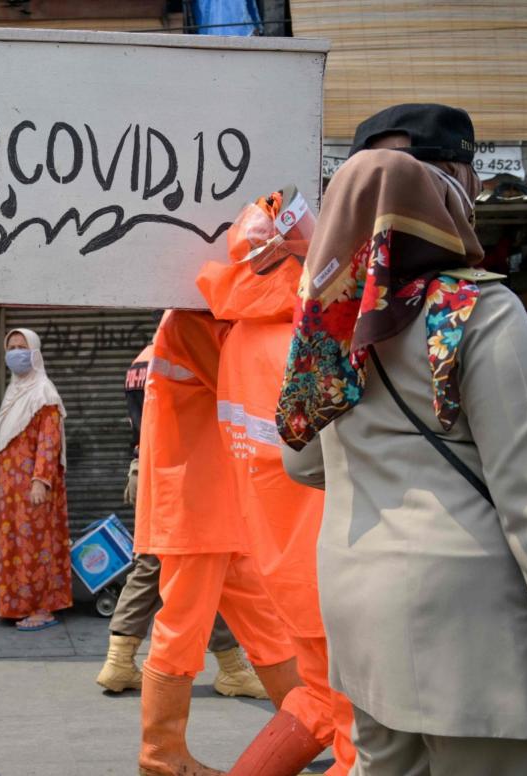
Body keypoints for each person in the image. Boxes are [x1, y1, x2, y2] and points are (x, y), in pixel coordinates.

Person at [278, 103, 527, 776]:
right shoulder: (479, 311)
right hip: (477, 637)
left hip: (361, 616)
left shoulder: (326, 326)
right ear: (452, 190)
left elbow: (299, 461)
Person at [196, 186, 355, 775]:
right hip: (332, 562)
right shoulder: (310, 339)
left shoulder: (237, 335)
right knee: (364, 732)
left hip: (279, 564)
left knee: (316, 698)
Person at [136, 310, 302, 776]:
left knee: (268, 626)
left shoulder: (200, 320)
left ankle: (317, 721)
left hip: (218, 502)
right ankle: (160, 754)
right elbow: (247, 379)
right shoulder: (190, 321)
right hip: (195, 502)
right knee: (182, 629)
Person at [96, 342, 266, 699]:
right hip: (181, 472)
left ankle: (123, 661)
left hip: (148, 469)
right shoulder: (184, 353)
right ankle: (226, 668)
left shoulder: (139, 361)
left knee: (187, 565)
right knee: (190, 563)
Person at [0, 328, 73, 632]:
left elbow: (49, 441)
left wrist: (40, 479)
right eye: (11, 347)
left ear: (35, 353)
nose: (15, 353)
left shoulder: (44, 392)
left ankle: (43, 607)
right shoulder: (15, 391)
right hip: (11, 488)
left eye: (21, 347)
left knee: (36, 545)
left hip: (34, 485)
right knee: (15, 545)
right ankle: (15, 601)